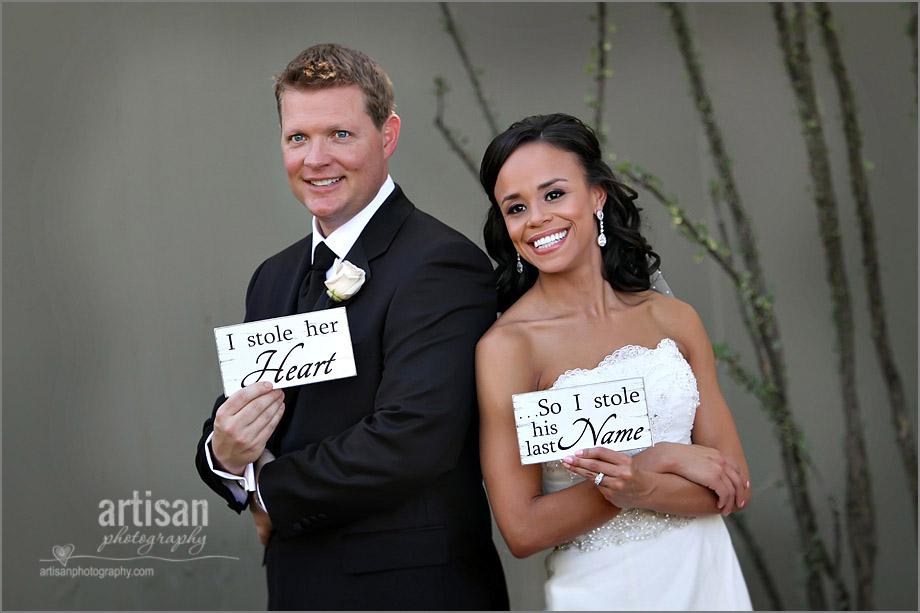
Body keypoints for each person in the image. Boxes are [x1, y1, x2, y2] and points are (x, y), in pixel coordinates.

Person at [194, 44, 509, 610]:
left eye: (339, 135)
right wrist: (223, 451)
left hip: (409, 591)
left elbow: (413, 438)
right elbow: (242, 411)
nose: (315, 159)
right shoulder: (272, 277)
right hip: (296, 588)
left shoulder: (440, 263)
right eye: (298, 138)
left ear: (386, 136)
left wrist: (269, 491)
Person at [475, 113, 753, 610]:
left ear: (598, 195)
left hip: (706, 574)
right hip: (605, 589)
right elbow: (521, 529)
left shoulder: (675, 319)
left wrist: (642, 487)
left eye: (554, 194)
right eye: (516, 207)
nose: (536, 217)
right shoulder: (508, 347)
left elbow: (730, 486)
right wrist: (657, 460)